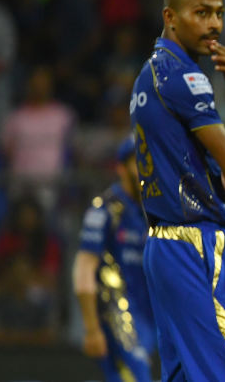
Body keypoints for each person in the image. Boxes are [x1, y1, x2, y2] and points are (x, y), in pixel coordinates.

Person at [130, 0, 225, 381]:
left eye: (218, 13)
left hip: (163, 244)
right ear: (170, 16)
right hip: (196, 244)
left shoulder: (148, 76)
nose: (214, 24)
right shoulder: (186, 78)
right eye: (201, 13)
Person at [72, 136, 156, 381]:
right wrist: (91, 328)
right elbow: (84, 267)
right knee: (137, 374)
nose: (145, 169)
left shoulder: (155, 210)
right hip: (117, 311)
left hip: (150, 311)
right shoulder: (105, 209)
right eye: (137, 162)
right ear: (121, 167)